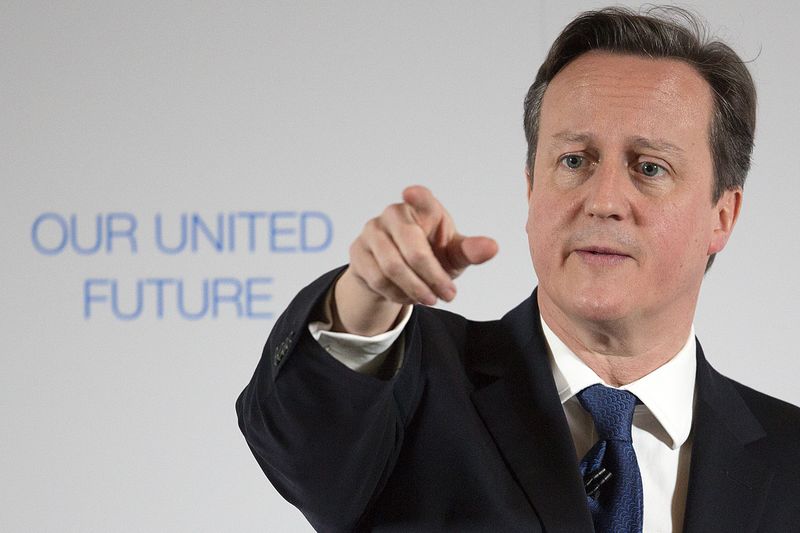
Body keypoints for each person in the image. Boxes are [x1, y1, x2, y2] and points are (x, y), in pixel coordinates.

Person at [237, 6, 800, 532]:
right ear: (531, 188)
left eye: (649, 168)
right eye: (574, 161)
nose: (603, 200)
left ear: (722, 215)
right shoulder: (415, 385)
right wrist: (363, 299)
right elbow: (303, 434)